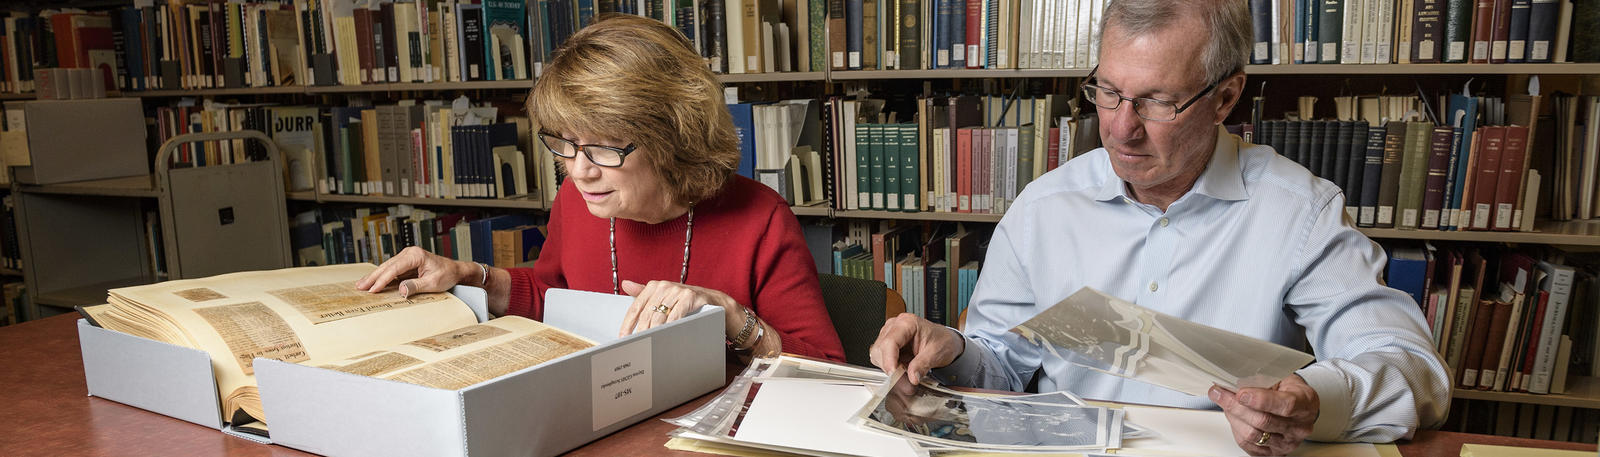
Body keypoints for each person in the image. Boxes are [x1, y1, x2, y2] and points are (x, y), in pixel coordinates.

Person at [868, 0, 1450, 455]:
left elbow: (1411, 369)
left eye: (1156, 102)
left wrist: (1310, 401)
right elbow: (1006, 366)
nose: (1121, 129)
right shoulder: (1043, 207)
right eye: (1110, 92)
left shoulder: (1300, 212)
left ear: (1225, 98)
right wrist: (952, 353)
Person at [357, 14, 845, 363]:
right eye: (566, 143)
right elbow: (553, 295)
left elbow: (827, 368)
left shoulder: (760, 217)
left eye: (605, 147)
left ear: (672, 139)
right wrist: (470, 274)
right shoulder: (578, 198)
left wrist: (732, 316)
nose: (578, 170)